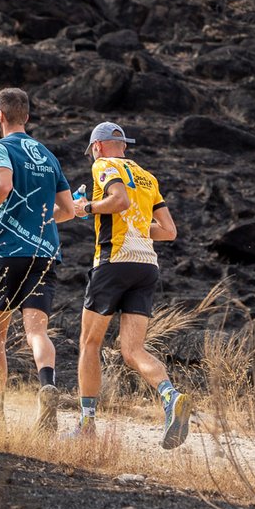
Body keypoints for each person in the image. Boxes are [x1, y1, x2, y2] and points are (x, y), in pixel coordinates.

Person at [0, 88, 77, 431]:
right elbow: (69, 211)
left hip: (6, 252)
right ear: (26, 116)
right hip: (44, 252)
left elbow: (2, 185)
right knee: (36, 332)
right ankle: (47, 386)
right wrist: (39, 223)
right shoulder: (48, 156)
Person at [71, 122, 189, 448]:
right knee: (133, 350)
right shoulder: (148, 176)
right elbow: (168, 231)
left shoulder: (103, 165)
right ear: (124, 144)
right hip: (146, 266)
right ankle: (170, 396)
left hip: (113, 263)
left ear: (97, 146)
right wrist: (136, 227)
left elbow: (119, 201)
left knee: (90, 343)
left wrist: (88, 208)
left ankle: (87, 424)